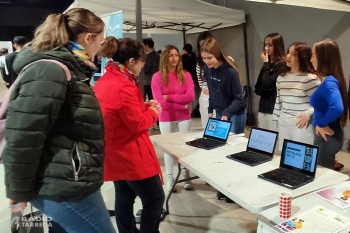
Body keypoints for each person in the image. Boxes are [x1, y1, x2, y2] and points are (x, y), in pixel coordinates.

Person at [2, 8, 115, 233]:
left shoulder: (68, 68)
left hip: (68, 178)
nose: (100, 47)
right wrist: (18, 191)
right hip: (62, 185)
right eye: (100, 40)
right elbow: (23, 135)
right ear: (87, 38)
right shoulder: (50, 70)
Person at [94, 36, 165, 233]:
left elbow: (118, 112)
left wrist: (143, 106)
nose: (144, 65)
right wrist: (153, 113)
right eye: (143, 61)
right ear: (132, 61)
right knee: (155, 199)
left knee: (124, 199)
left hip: (114, 151)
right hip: (131, 154)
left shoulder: (106, 80)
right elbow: (136, 123)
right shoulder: (124, 85)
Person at [152, 45, 194, 192]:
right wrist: (182, 106)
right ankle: (169, 176)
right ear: (165, 57)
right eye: (171, 55)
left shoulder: (185, 75)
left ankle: (185, 173)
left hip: (183, 117)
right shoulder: (157, 77)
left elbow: (190, 96)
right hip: (166, 116)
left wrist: (169, 97)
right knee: (169, 148)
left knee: (183, 146)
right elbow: (159, 101)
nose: (174, 58)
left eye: (177, 55)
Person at [273, 42, 320, 151]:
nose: (288, 56)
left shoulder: (311, 79)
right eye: (288, 53)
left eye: (293, 54)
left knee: (301, 156)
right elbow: (278, 102)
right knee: (286, 157)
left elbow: (321, 103)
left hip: (301, 124)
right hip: (284, 122)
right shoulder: (281, 77)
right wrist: (275, 121)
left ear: (301, 58)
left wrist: (308, 114)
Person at [310, 39, 348, 169]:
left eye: (313, 56)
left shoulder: (330, 82)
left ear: (323, 58)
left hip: (326, 139)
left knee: (323, 179)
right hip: (325, 139)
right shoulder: (328, 80)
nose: (311, 60)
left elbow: (337, 108)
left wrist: (321, 123)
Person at [201, 38, 246, 134]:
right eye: (204, 58)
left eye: (209, 58)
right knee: (220, 143)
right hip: (219, 111)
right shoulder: (207, 69)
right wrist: (210, 108)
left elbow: (239, 99)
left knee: (233, 146)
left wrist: (227, 112)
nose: (206, 61)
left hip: (234, 113)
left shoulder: (231, 72)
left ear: (217, 55)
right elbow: (212, 91)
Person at [254, 33, 286, 131]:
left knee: (274, 142)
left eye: (270, 45)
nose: (267, 48)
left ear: (277, 46)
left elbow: (267, 83)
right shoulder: (268, 65)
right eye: (265, 44)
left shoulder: (282, 65)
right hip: (263, 108)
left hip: (274, 110)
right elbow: (258, 88)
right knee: (263, 140)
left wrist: (266, 63)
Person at [196, 31, 214, 128]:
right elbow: (201, 83)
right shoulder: (200, 63)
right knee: (206, 128)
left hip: (217, 98)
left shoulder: (223, 61)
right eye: (201, 46)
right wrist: (201, 98)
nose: (203, 48)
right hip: (205, 96)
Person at [182, 43, 200, 117]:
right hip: (194, 79)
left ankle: (189, 110)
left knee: (186, 95)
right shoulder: (194, 58)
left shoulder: (182, 58)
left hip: (185, 79)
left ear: (184, 50)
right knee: (194, 95)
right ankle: (194, 109)